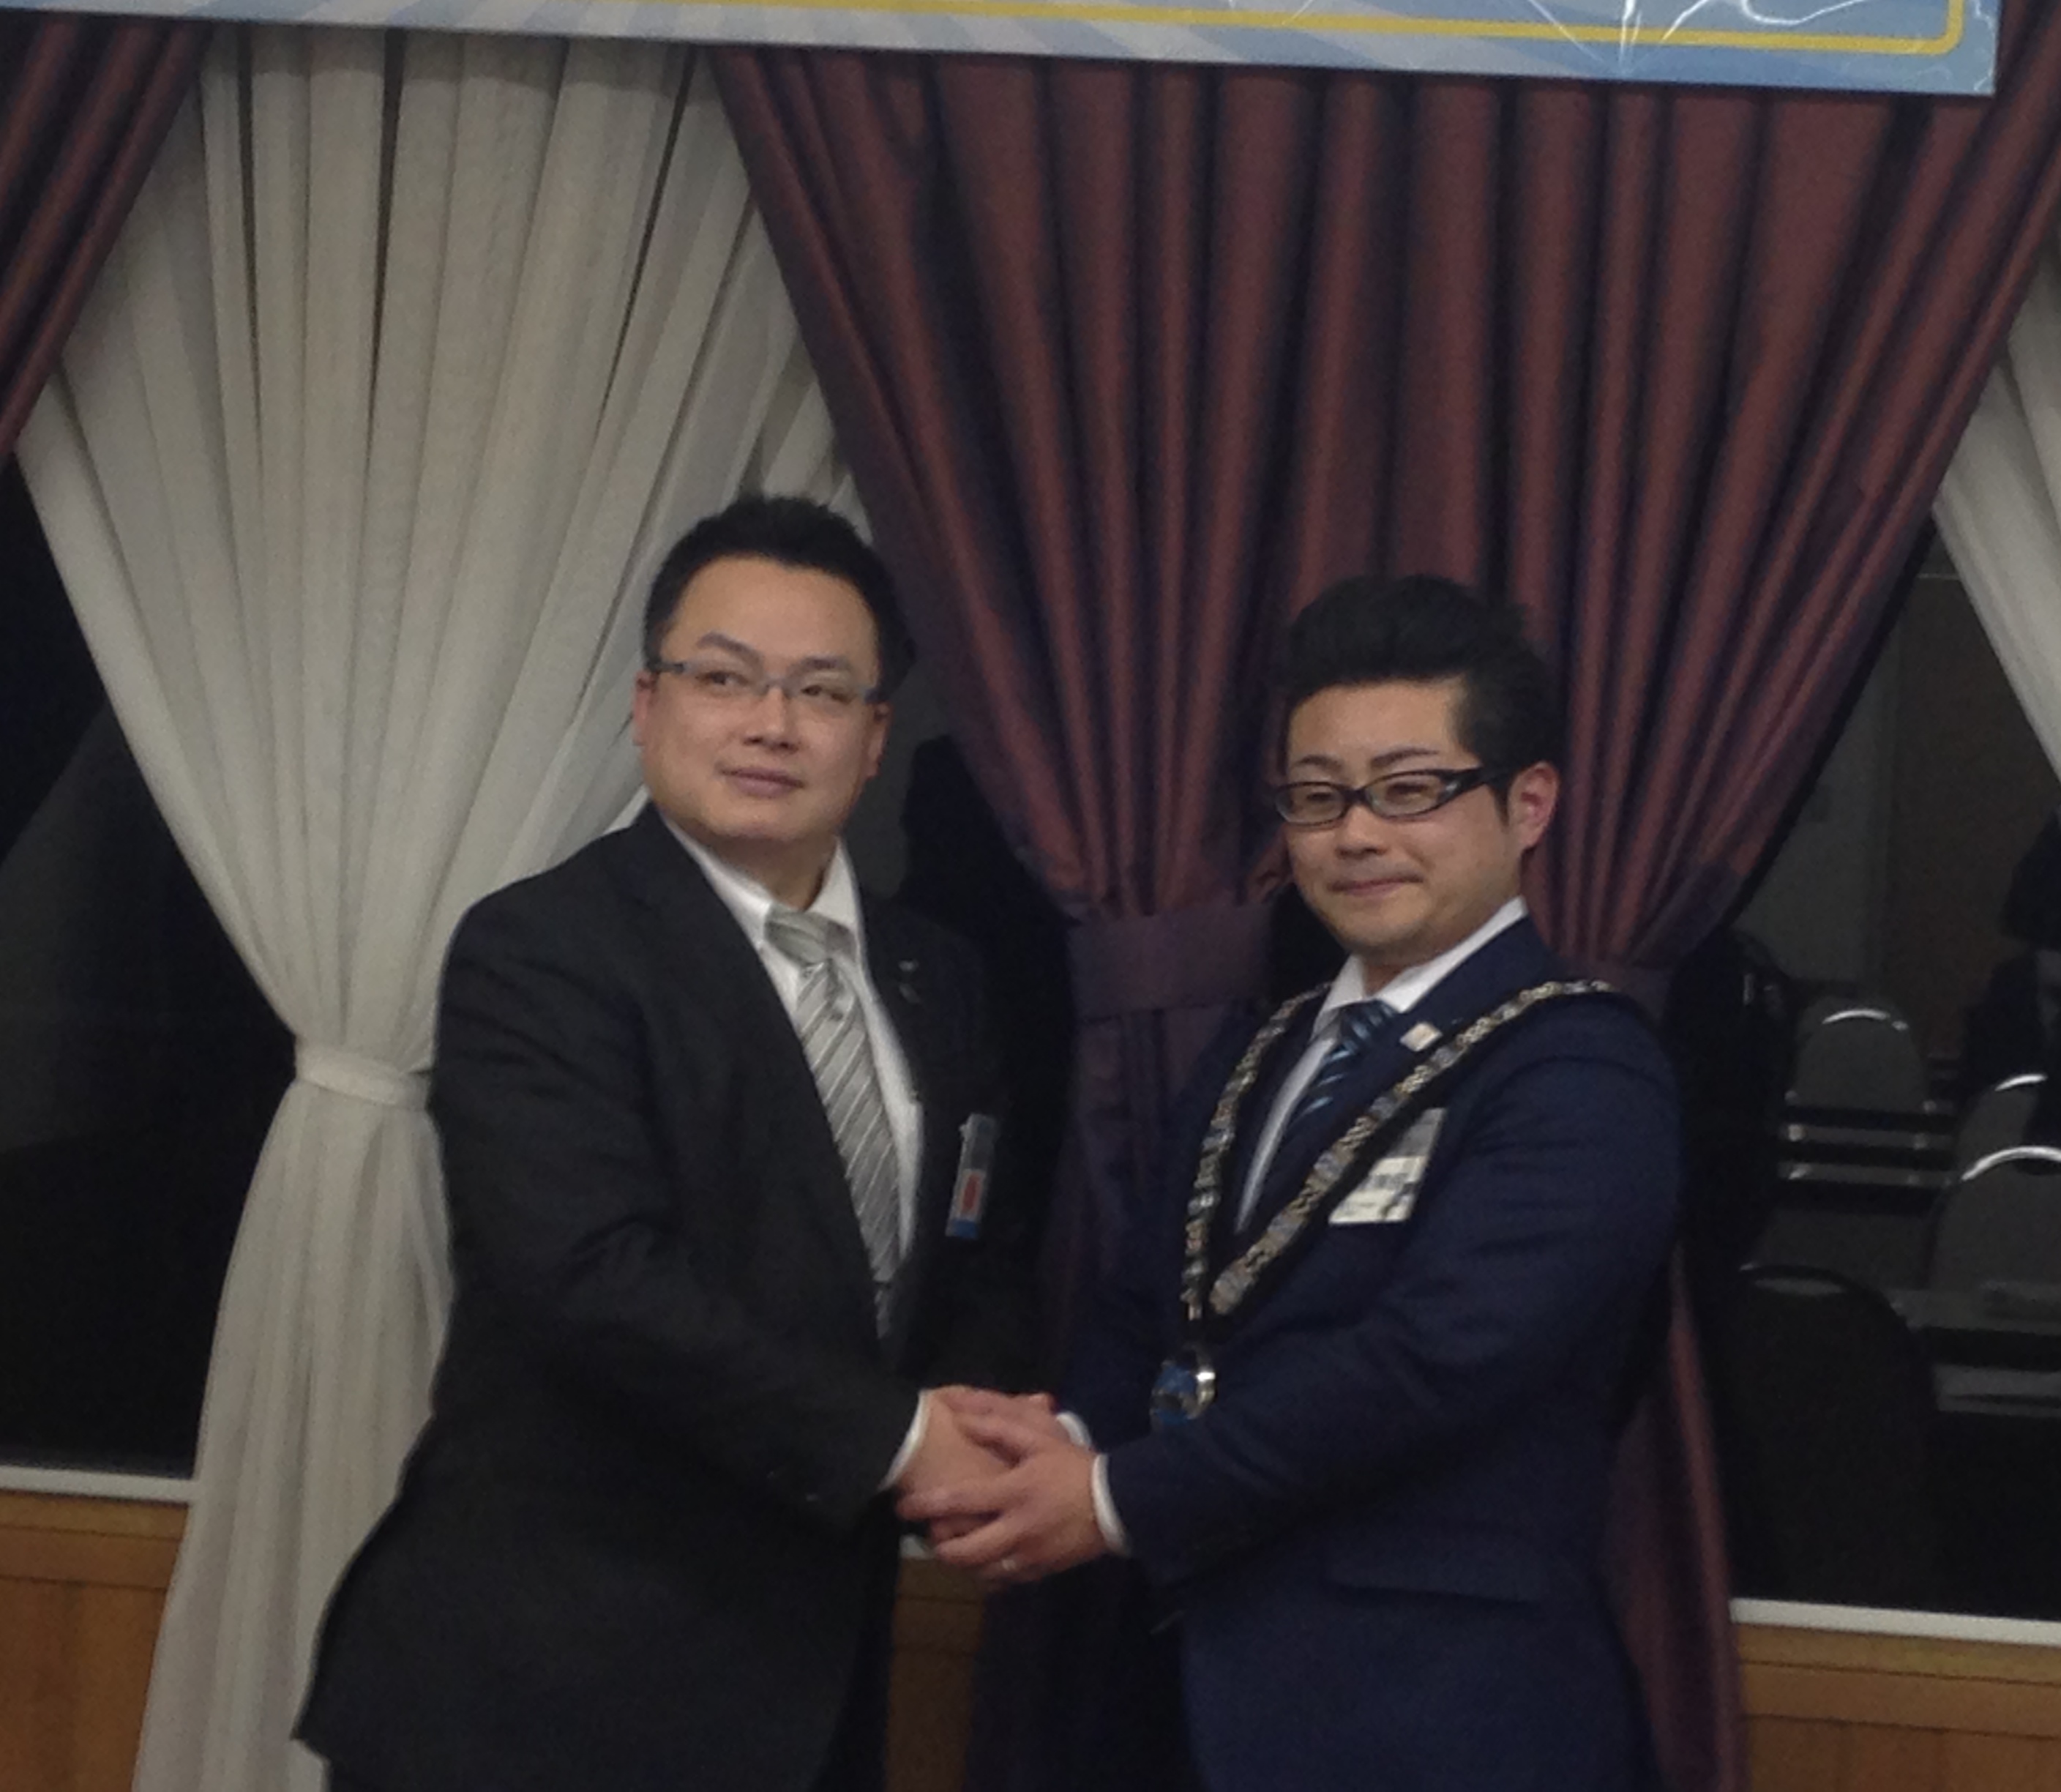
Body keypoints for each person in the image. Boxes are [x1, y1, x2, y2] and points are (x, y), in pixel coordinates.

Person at [298, 496, 1039, 1792]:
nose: (771, 723)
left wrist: (972, 1418)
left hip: (811, 1678)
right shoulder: (542, 951)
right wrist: (906, 1439)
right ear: (648, 705)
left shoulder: (941, 977)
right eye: (724, 677)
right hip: (545, 1684)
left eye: (822, 691)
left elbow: (975, 1255)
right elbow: (590, 1280)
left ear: (875, 738)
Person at [908, 575, 1681, 1791]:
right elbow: (1149, 1306)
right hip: (1188, 1687)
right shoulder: (1265, 1048)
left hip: (1437, 1715)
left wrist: (1111, 1497)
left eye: (1410, 789)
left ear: (1529, 802)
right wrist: (1065, 1437)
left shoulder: (1579, 1069)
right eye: (1319, 797)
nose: (1356, 835)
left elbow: (1430, 1364)